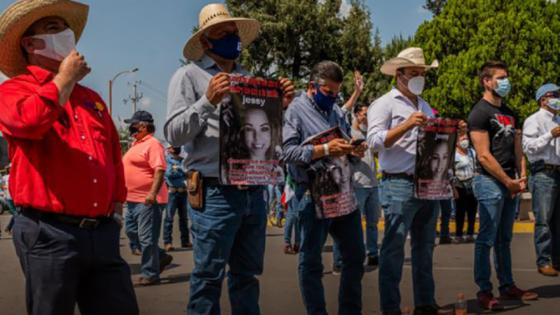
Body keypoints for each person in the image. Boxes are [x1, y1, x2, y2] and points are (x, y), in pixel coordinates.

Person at [0, 1, 138, 314]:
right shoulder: (14, 90)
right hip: (48, 232)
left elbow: (113, 156)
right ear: (30, 44)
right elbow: (29, 123)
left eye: (65, 27)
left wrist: (115, 207)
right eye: (52, 28)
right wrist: (63, 79)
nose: (65, 34)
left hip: (101, 233)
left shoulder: (91, 100)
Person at [164, 4, 294, 315]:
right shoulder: (189, 76)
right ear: (206, 42)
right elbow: (173, 134)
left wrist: (281, 107)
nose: (232, 39)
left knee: (247, 276)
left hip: (252, 189)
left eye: (234, 33)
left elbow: (265, 138)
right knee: (208, 277)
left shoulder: (249, 79)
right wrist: (206, 101)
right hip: (214, 192)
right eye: (223, 34)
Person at [368, 47, 457, 315]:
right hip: (398, 184)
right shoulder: (384, 103)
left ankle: (425, 303)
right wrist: (406, 125)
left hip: (427, 183)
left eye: (422, 73)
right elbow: (373, 142)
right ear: (399, 74)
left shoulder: (425, 104)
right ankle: (390, 308)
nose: (419, 77)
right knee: (393, 251)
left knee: (424, 248)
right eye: (414, 73)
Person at [283, 60, 366, 315]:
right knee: (311, 262)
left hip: (342, 192)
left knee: (354, 257)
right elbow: (286, 153)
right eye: (327, 92)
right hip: (311, 194)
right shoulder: (295, 110)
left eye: (336, 93)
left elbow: (343, 139)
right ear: (312, 86)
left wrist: (354, 148)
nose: (332, 98)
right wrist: (325, 149)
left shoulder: (337, 112)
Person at [468, 60, 538, 310]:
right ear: (486, 81)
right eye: (500, 77)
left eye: (507, 76)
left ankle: (507, 285)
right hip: (489, 182)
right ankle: (484, 291)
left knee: (504, 239)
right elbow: (484, 155)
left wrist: (521, 175)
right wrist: (507, 182)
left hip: (511, 183)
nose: (506, 81)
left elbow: (517, 148)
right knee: (486, 238)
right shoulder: (479, 112)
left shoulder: (510, 112)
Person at [123, 110, 173, 286]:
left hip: (148, 200)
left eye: (133, 125)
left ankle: (150, 274)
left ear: (143, 126)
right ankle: (160, 256)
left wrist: (152, 193)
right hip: (131, 200)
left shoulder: (153, 144)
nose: (130, 128)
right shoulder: (136, 144)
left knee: (146, 238)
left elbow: (159, 169)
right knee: (131, 232)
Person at [333, 103, 381, 273]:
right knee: (349, 225)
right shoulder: (349, 134)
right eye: (364, 114)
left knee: (373, 223)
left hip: (373, 185)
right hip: (356, 185)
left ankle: (373, 254)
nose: (367, 117)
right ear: (356, 115)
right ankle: (339, 260)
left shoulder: (370, 134)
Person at [523, 83, 560, 276]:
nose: (558, 98)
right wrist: (549, 135)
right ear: (543, 99)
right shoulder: (534, 120)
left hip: (558, 171)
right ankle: (543, 260)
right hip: (543, 173)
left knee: (557, 221)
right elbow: (528, 147)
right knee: (544, 220)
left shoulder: (558, 119)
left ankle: (557, 259)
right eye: (555, 95)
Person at [163, 145, 192, 251]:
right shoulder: (167, 160)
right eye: (171, 147)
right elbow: (169, 174)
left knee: (184, 218)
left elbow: (188, 173)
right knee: (169, 218)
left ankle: (185, 241)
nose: (174, 148)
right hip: (172, 192)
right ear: (169, 150)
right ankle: (167, 242)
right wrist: (181, 171)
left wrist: (180, 171)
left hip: (183, 192)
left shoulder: (183, 160)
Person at [451, 133, 478, 243]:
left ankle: (470, 234)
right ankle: (459, 235)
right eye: (462, 139)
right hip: (459, 185)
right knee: (460, 212)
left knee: (472, 211)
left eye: (466, 138)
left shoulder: (472, 152)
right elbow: (450, 171)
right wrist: (453, 188)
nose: (465, 140)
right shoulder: (454, 155)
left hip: (472, 184)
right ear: (457, 142)